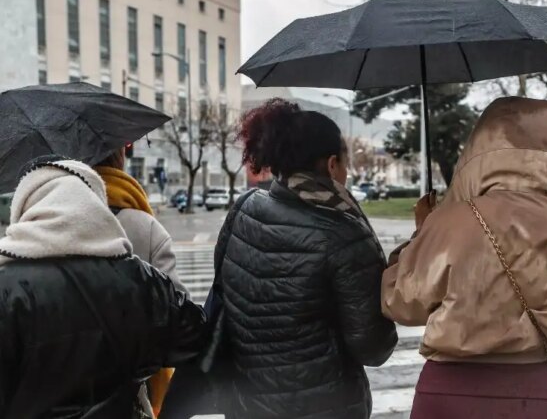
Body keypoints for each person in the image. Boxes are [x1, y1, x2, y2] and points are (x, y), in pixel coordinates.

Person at [382, 97, 547, 419]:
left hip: (450, 389)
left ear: (479, 147)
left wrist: (421, 235)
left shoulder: (449, 221)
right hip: (532, 390)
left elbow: (400, 302)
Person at [197, 98, 397, 418]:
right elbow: (373, 348)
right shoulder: (344, 234)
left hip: (248, 402)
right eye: (346, 163)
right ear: (332, 165)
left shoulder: (245, 207)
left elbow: (227, 292)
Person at [0, 156, 206, 418]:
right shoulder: (135, 277)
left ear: (27, 207)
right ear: (92, 203)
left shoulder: (7, 289)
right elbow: (193, 334)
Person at [93, 148, 186, 418]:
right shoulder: (144, 228)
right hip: (131, 394)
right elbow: (179, 324)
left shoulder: (37, 226)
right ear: (120, 158)